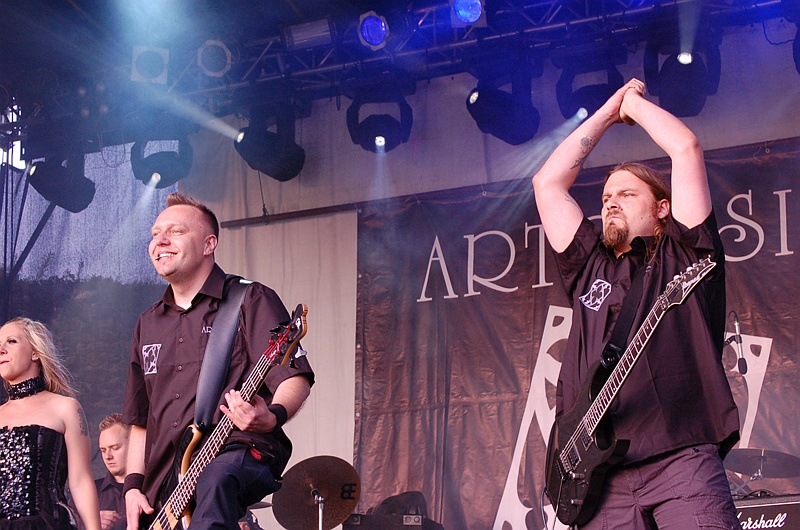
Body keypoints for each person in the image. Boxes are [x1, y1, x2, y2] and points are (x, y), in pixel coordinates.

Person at [532, 79, 740, 529]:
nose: (610, 204)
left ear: (663, 208)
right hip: (598, 476)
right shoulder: (588, 264)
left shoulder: (686, 253)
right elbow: (547, 183)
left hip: (681, 458)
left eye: (626, 195)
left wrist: (633, 105)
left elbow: (685, 147)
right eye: (605, 198)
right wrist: (606, 113)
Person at [123, 192, 314, 530]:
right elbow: (141, 418)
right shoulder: (146, 322)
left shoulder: (249, 299)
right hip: (165, 487)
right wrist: (133, 486)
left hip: (235, 450)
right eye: (155, 234)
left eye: (176, 232)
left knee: (218, 477)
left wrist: (271, 415)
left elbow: (292, 376)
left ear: (209, 244)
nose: (160, 241)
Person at [0, 317, 101, 530]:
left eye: (11, 341)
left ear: (36, 352)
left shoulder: (65, 408)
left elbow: (80, 481)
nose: (1, 349)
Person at [95, 414, 129, 530]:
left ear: (133, 445)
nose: (107, 456)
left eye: (114, 448)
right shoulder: (90, 494)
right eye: (103, 450)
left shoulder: (153, 489)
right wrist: (90, 524)